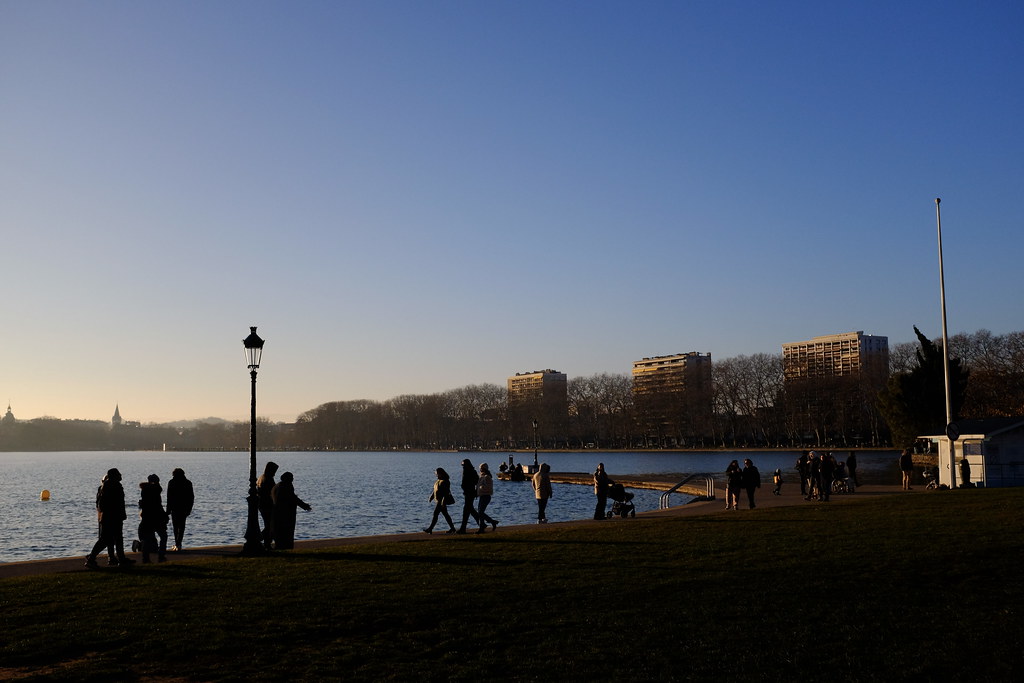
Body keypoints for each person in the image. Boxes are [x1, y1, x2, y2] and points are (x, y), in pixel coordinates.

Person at [85, 468, 134, 568]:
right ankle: (91, 559)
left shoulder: (109, 486)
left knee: (116, 539)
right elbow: (112, 503)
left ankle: (121, 559)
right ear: (114, 476)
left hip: (112, 516)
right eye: (118, 474)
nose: (120, 475)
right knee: (106, 539)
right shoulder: (112, 486)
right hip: (112, 517)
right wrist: (117, 513)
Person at [271, 471, 312, 550]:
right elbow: (293, 498)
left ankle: (279, 546)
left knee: (279, 532)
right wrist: (305, 506)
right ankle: (286, 547)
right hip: (286, 514)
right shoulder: (287, 486)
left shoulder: (276, 486)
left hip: (277, 512)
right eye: (291, 478)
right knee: (287, 532)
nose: (293, 479)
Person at [137, 474, 168, 563]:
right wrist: (164, 515)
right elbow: (158, 505)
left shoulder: (145, 490)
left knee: (147, 538)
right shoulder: (156, 490)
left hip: (147, 517)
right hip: (156, 518)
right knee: (163, 536)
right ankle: (161, 556)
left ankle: (146, 558)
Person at [166, 467, 194, 551]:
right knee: (182, 527)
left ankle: (177, 543)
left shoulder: (172, 482)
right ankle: (179, 543)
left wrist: (168, 510)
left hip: (175, 507)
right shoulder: (188, 483)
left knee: (175, 526)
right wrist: (189, 508)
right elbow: (191, 497)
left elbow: (169, 497)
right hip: (184, 507)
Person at [424, 467, 456, 534]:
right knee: (445, 515)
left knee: (435, 514)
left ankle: (430, 529)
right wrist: (431, 497)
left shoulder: (445, 481)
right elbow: (435, 490)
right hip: (438, 500)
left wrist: (443, 501)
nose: (436, 475)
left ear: (440, 473)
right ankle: (453, 528)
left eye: (437, 473)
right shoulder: (438, 481)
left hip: (441, 501)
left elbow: (446, 492)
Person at [256, 461, 279, 550]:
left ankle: (266, 542)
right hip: (267, 505)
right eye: (274, 471)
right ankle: (261, 539)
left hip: (262, 504)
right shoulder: (268, 479)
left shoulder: (261, 477)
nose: (274, 473)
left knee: (268, 524)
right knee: (270, 525)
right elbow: (272, 492)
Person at [457, 458, 481, 534]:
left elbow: (476, 481)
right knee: (468, 509)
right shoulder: (470, 471)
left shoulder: (469, 471)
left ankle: (481, 523)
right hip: (468, 492)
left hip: (469, 493)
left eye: (463, 465)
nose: (463, 466)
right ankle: (464, 528)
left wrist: (468, 486)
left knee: (468, 509)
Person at [476, 463, 499, 533]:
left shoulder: (487, 477)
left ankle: (491, 522)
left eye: (481, 468)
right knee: (480, 512)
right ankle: (482, 527)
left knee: (480, 512)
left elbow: (489, 487)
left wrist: (480, 488)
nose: (480, 469)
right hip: (482, 496)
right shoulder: (481, 476)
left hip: (486, 496)